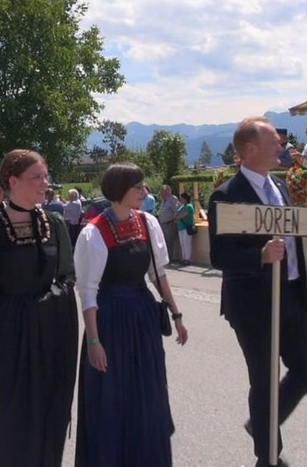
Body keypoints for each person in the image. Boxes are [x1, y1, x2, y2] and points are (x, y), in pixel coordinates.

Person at [208, 117, 307, 467]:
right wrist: (259, 255)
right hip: (254, 304)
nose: (281, 147)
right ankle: (268, 455)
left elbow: (303, 230)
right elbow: (220, 255)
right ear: (251, 148)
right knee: (264, 380)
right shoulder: (226, 195)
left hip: (293, 295)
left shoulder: (281, 187)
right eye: (275, 142)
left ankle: (261, 424)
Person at [74, 163, 188, 466]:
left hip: (143, 319)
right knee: (113, 396)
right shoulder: (94, 232)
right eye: (137, 187)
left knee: (148, 391)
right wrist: (94, 341)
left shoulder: (147, 222)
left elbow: (157, 274)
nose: (144, 191)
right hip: (110, 321)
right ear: (120, 190)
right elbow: (88, 292)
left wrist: (176, 314)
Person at [0, 149, 78, 467]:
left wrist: (47, 303)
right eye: (37, 177)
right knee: (10, 422)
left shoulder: (55, 224)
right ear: (13, 181)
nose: (45, 183)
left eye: (45, 176)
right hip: (9, 338)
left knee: (49, 414)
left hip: (49, 334)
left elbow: (68, 275)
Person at [157, 186, 181, 266]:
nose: (161, 194)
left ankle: (169, 259)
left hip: (170, 224)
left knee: (169, 242)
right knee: (164, 242)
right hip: (163, 224)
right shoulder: (163, 200)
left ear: (167, 192)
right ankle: (165, 259)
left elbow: (177, 210)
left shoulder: (173, 199)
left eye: (162, 193)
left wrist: (174, 219)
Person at [175, 192, 195, 265]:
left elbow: (183, 214)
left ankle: (187, 258)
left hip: (186, 227)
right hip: (180, 227)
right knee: (182, 243)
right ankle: (183, 258)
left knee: (187, 243)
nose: (180, 199)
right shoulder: (182, 207)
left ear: (186, 199)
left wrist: (178, 216)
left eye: (182, 198)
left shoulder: (189, 206)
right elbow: (176, 215)